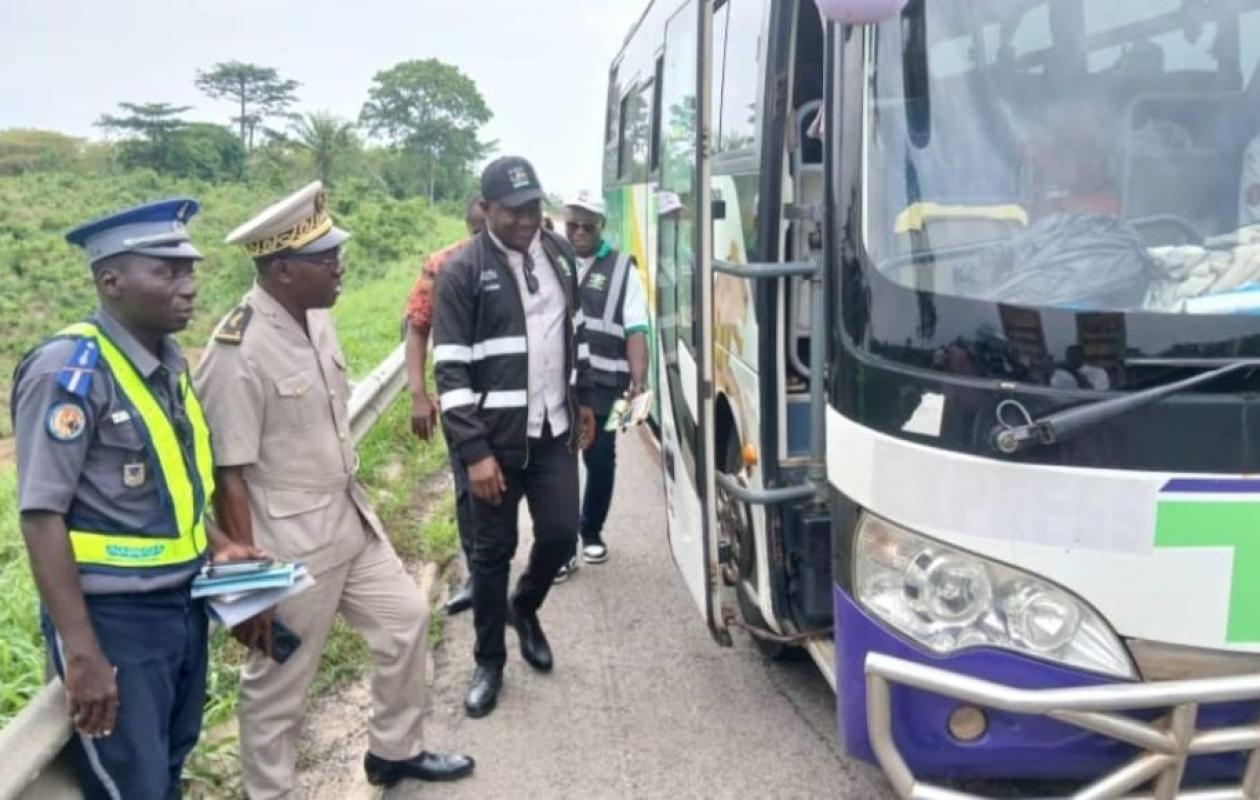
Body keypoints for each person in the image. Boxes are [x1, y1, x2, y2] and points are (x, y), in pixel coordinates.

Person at [194, 182, 474, 798]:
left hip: (349, 518)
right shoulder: (238, 351)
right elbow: (227, 476)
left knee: (404, 621)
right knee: (279, 686)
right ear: (283, 270)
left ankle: (394, 752)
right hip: (289, 546)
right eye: (326, 258)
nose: (340, 265)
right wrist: (251, 588)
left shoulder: (316, 316)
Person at [12, 198, 262, 800]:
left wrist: (221, 546)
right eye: (167, 272)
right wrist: (83, 652)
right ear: (111, 282)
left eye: (189, 270)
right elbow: (41, 516)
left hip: (181, 607)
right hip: (115, 622)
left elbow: (172, 490)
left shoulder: (168, 364)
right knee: (135, 787)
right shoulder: (69, 372)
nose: (189, 286)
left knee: (170, 765)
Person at [433, 156, 595, 718]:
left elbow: (576, 332)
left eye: (533, 209)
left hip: (553, 431)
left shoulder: (558, 256)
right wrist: (474, 453)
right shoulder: (461, 272)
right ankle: (489, 661)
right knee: (491, 554)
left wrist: (585, 399)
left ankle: (523, 608)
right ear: (486, 209)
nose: (526, 221)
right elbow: (450, 370)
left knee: (561, 537)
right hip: (495, 445)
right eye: (513, 212)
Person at [554, 191, 649, 582]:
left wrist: (639, 383)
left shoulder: (624, 269)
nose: (578, 233)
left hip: (606, 386)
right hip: (558, 383)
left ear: (601, 227)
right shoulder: (552, 259)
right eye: (572, 225)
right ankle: (561, 547)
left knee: (600, 459)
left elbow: (636, 330)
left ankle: (591, 531)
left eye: (587, 227)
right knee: (557, 465)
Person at [403, 194, 486, 616]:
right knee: (469, 492)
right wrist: (419, 395)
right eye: (478, 230)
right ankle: (478, 575)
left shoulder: (526, 260)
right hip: (461, 401)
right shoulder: (442, 265)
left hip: (516, 402)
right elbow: (417, 327)